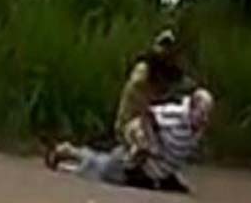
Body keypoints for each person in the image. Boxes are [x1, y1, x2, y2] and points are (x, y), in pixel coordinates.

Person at [47, 88, 215, 194]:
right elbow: (148, 115)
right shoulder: (176, 114)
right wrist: (149, 144)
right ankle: (69, 152)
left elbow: (176, 152)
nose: (204, 118)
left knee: (101, 168)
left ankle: (68, 163)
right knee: (100, 168)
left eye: (207, 114)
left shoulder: (197, 129)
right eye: (201, 113)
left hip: (154, 170)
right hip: (139, 154)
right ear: (191, 109)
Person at [114, 28, 189, 142]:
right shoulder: (143, 70)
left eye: (168, 47)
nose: (165, 51)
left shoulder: (171, 73)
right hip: (131, 124)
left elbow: (187, 86)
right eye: (162, 46)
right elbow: (138, 91)